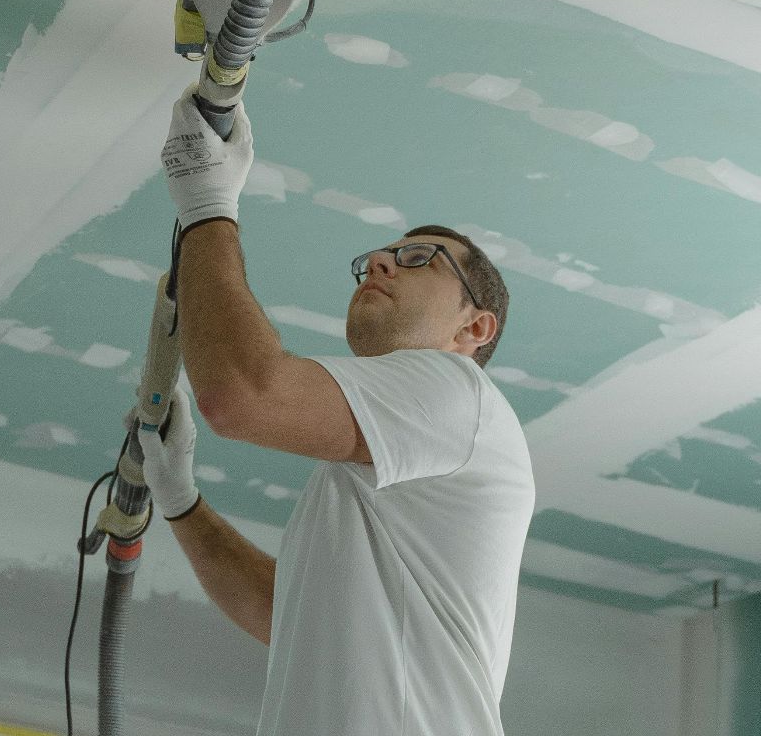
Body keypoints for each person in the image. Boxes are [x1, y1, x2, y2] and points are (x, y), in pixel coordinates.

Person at [141, 86, 536, 736]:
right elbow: (282, 611)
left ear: (476, 328)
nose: (379, 260)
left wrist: (208, 206)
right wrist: (181, 501)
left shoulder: (458, 394)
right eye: (380, 256)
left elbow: (243, 396)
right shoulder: (371, 482)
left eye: (417, 259)